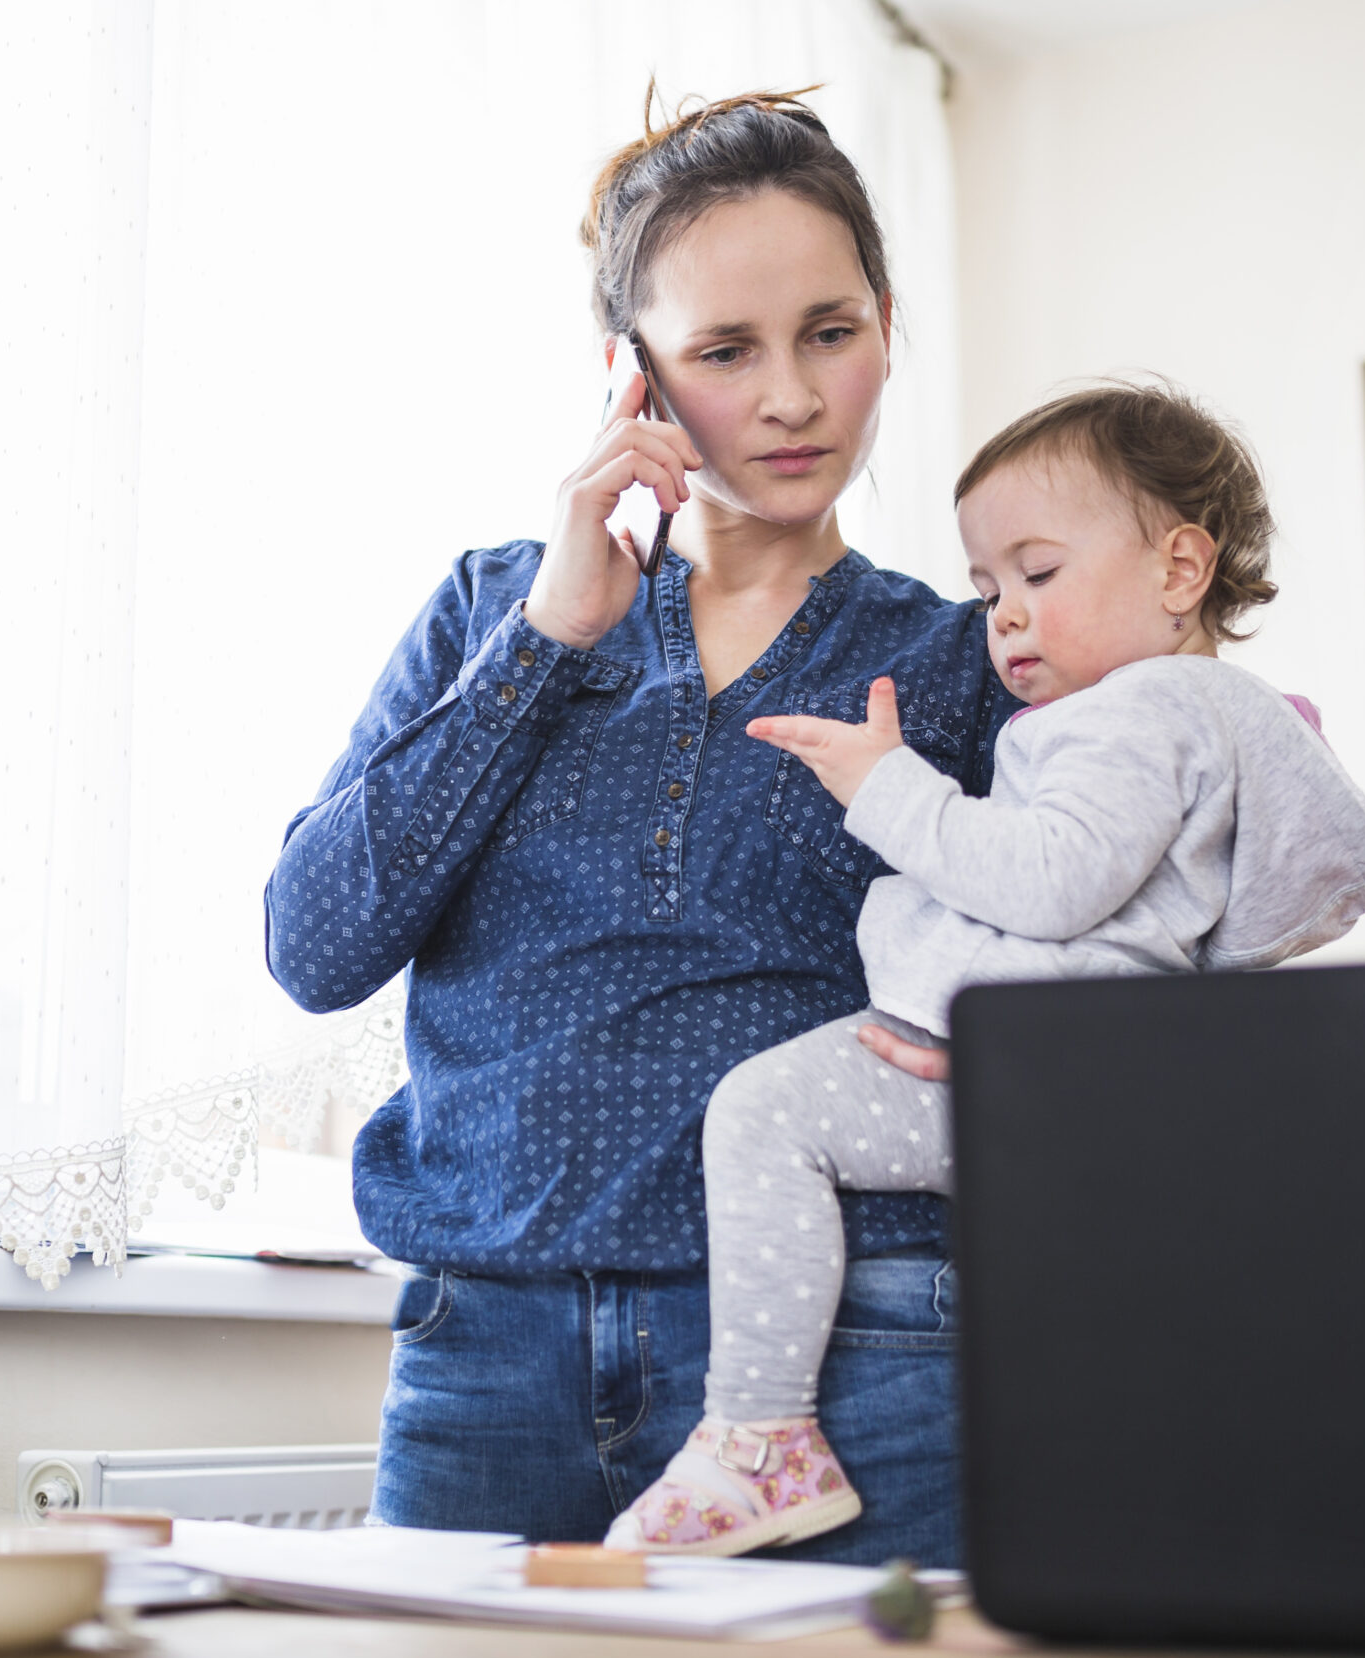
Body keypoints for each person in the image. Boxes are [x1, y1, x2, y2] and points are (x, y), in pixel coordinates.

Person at [263, 89, 1015, 1569]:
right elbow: (315, 945)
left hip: (849, 1350)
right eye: (726, 351)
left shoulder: (958, 660)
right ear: (633, 379)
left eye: (831, 330)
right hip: (486, 1352)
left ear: (884, 326)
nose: (794, 395)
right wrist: (549, 638)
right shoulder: (494, 607)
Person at [606, 382, 1365, 1555]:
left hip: (1022, 1072)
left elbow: (1049, 879)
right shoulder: (1172, 712)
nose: (1005, 618)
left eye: (1037, 574)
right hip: (1048, 1078)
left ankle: (758, 1439)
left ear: (1180, 570)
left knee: (763, 1116)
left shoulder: (1144, 712)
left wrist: (886, 786)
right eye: (988, 589)